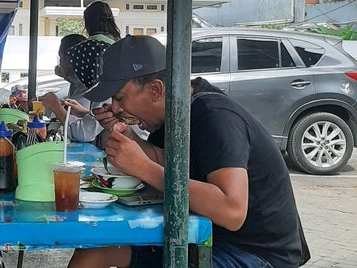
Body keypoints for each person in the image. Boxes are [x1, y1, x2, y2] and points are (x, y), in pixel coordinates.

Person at [68, 35, 310, 268]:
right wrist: (128, 138)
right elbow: (172, 162)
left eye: (120, 97)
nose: (116, 107)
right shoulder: (173, 115)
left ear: (155, 90)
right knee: (93, 255)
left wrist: (143, 167)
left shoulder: (215, 117)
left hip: (254, 254)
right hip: (207, 240)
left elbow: (232, 210)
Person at [40, 34, 106, 143]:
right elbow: (96, 120)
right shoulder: (94, 86)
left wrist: (56, 106)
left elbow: (84, 133)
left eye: (76, 63)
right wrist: (84, 113)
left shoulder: (104, 90)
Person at [67, 0, 121, 88]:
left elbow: (78, 82)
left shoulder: (79, 50)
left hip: (88, 99)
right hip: (115, 96)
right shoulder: (119, 46)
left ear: (88, 22)